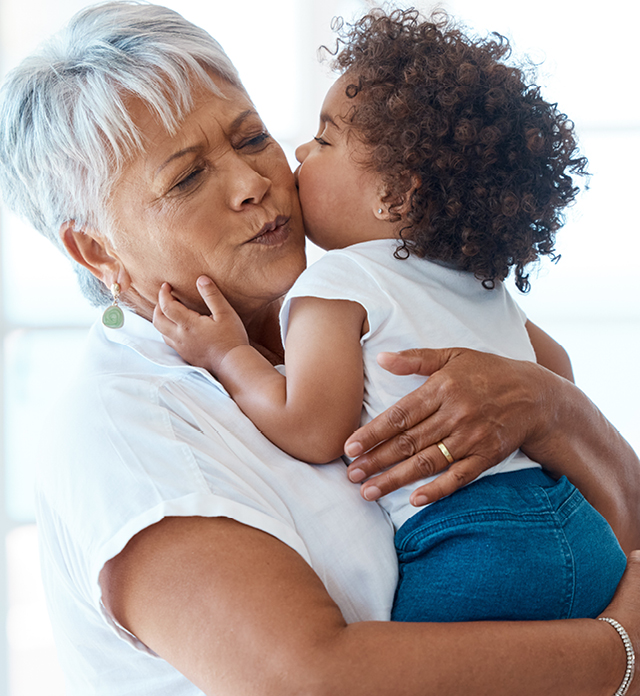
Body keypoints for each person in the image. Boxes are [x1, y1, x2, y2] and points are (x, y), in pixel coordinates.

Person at [0, 2, 639, 695]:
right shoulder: (124, 430)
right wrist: (624, 654)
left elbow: (618, 517)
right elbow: (312, 682)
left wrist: (551, 407)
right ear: (95, 250)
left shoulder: (368, 304)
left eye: (250, 139)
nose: (253, 184)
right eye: (186, 178)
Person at [153, 8, 626, 624]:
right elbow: (554, 369)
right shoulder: (473, 277)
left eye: (324, 141)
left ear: (394, 195)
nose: (299, 152)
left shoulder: (338, 280)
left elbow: (314, 429)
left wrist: (226, 354)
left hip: (472, 547)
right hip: (577, 529)